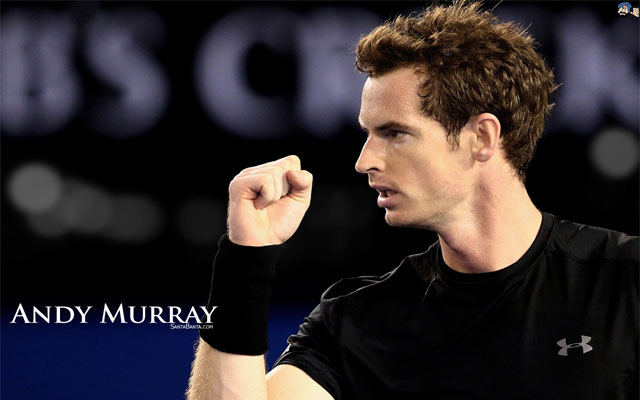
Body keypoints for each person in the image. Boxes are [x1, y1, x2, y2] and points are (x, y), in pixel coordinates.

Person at [186, 1, 639, 399]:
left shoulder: (627, 280)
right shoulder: (358, 322)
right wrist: (245, 258)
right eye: (368, 134)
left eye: (395, 133)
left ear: (482, 138)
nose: (364, 161)